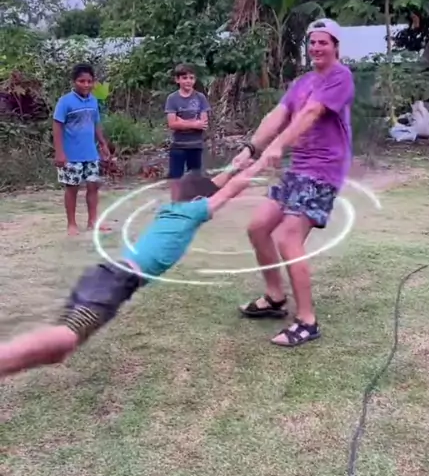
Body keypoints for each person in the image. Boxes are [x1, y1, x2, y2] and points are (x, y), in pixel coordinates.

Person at [0, 158, 267, 379]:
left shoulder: (172, 210)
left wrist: (234, 165)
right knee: (65, 339)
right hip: (116, 280)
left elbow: (213, 187)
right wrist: (262, 162)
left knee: (59, 349)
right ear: (198, 200)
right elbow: (229, 190)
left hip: (109, 276)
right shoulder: (192, 212)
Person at [231, 19, 355, 348]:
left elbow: (312, 114)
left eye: (323, 42)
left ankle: (307, 321)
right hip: (298, 168)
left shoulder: (341, 76)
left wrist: (277, 147)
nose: (316, 47)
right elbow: (277, 115)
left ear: (335, 46)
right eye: (312, 42)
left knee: (288, 238)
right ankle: (275, 297)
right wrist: (251, 148)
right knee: (258, 227)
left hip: (323, 170)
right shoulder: (301, 82)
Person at [53, 63, 110, 236]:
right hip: (71, 156)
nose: (86, 85)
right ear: (74, 82)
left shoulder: (93, 100)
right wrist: (59, 153)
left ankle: (93, 221)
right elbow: (57, 126)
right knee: (72, 188)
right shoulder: (65, 102)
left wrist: (103, 143)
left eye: (89, 81)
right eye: (81, 81)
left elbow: (96, 123)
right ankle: (71, 224)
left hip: (90, 154)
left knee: (93, 186)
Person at [164, 64, 211, 199]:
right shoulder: (172, 99)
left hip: (196, 145)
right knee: (175, 178)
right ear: (177, 80)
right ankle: (175, 204)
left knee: (195, 178)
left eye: (191, 78)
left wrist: (182, 121)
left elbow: (203, 123)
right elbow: (172, 124)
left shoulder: (200, 98)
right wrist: (193, 123)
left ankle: (194, 203)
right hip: (178, 145)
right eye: (185, 78)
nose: (188, 81)